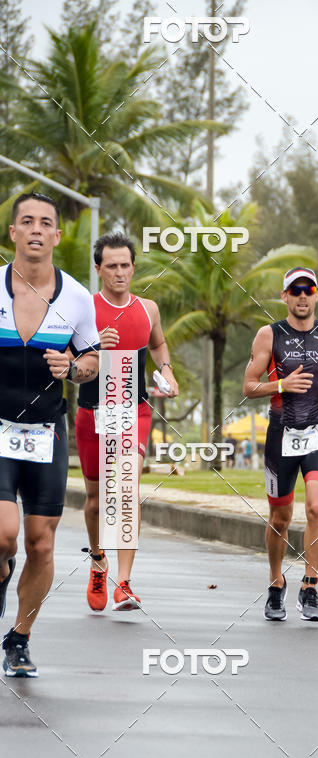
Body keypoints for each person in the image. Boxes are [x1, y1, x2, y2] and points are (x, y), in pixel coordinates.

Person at [0, 193, 100, 677]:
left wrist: (74, 367)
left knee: (40, 543)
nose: (36, 229)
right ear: (13, 233)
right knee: (5, 535)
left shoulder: (77, 298)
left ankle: (19, 637)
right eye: (26, 222)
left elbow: (93, 360)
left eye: (46, 223)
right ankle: (2, 576)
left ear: (57, 236)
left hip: (45, 433)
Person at [243, 266, 318, 622]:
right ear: (285, 297)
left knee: (317, 509)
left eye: (309, 289)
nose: (303, 296)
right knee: (280, 517)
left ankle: (310, 587)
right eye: (296, 290)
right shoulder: (269, 335)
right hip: (281, 435)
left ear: (317, 295)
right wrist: (280, 385)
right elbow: (248, 386)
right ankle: (276, 585)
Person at [75, 232, 178, 613]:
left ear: (134, 267)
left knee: (127, 490)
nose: (119, 273)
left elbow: (158, 344)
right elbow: (70, 364)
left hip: (134, 409)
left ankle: (124, 584)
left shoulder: (148, 308)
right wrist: (93, 344)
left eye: (125, 265)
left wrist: (166, 370)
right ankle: (98, 560)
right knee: (95, 498)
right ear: (99, 268)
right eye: (111, 266)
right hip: (92, 410)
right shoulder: (84, 308)